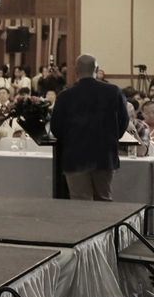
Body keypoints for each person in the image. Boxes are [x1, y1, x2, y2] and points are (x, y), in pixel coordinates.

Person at [50, 54, 129, 201]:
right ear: (97, 69)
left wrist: (70, 140)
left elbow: (56, 128)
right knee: (103, 199)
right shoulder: (114, 91)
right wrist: (111, 137)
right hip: (104, 154)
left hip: (75, 155)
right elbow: (123, 122)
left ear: (76, 71)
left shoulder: (65, 96)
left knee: (80, 201)